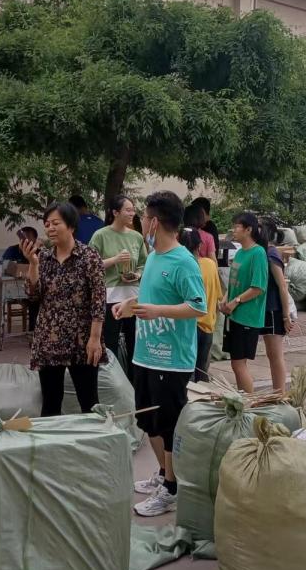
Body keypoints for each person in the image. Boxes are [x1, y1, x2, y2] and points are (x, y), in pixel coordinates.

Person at [113, 191, 206, 517]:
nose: (141, 222)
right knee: (147, 421)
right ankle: (165, 473)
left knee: (169, 427)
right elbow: (151, 297)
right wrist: (130, 305)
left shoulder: (184, 262)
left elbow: (198, 307)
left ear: (154, 222)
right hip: (144, 355)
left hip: (172, 360)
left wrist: (157, 311)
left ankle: (172, 488)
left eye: (144, 217)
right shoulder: (153, 257)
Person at [21, 202, 105, 416]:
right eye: (47, 224)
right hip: (49, 339)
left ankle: (93, 437)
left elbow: (98, 300)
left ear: (71, 226)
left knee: (89, 403)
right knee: (50, 404)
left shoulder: (89, 257)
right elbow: (32, 295)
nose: (50, 228)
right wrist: (33, 264)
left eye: (56, 223)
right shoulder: (44, 258)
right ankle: (51, 438)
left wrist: (95, 338)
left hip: (82, 340)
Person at [90, 196, 147, 379]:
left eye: (133, 210)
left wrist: (137, 274)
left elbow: (144, 264)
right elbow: (90, 265)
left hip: (133, 296)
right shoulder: (100, 235)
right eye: (128, 210)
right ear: (115, 212)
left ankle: (134, 383)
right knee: (110, 343)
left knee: (134, 342)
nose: (132, 213)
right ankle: (112, 381)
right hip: (109, 296)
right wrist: (114, 260)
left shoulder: (136, 237)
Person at [220, 212, 269, 394]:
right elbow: (234, 282)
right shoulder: (240, 252)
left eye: (237, 226)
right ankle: (244, 400)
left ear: (248, 230)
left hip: (247, 317)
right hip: (234, 315)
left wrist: (236, 301)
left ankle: (249, 402)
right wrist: (225, 299)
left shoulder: (258, 253)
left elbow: (258, 287)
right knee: (236, 363)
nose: (233, 230)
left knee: (239, 364)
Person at [180, 228, 222, 382]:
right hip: (208, 326)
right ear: (199, 245)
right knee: (202, 373)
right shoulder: (210, 265)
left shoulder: (182, 266)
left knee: (187, 376)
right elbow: (217, 297)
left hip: (188, 327)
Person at [259, 217, 294, 392]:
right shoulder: (262, 252)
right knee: (271, 354)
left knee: (275, 355)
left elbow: (282, 286)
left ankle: (280, 394)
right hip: (266, 310)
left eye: (258, 227)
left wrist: (286, 316)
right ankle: (277, 393)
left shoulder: (271, 254)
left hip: (274, 311)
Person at [1, 226, 40, 331]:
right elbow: (4, 266)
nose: (26, 241)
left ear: (34, 240)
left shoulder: (38, 253)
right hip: (13, 287)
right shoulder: (12, 250)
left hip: (31, 289)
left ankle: (33, 331)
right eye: (24, 238)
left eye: (29, 238)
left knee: (35, 301)